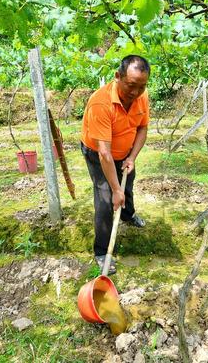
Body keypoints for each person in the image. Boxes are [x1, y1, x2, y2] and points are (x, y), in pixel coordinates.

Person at [80, 55, 150, 275]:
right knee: (105, 196)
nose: (135, 92)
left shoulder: (142, 95)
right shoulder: (100, 103)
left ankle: (128, 215)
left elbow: (142, 129)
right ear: (118, 76)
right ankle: (102, 252)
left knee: (128, 185)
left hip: (124, 152)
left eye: (141, 86)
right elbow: (104, 153)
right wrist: (115, 189)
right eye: (131, 86)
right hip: (99, 153)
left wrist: (132, 158)